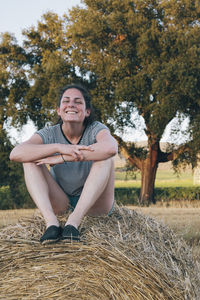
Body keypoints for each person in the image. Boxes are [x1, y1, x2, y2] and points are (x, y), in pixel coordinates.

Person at [10, 83, 118, 243]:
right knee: (29, 159)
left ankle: (73, 223)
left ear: (87, 112)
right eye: (66, 101)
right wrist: (58, 147)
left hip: (97, 205)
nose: (71, 104)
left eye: (78, 101)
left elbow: (110, 148)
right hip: (61, 202)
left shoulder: (96, 129)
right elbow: (16, 153)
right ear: (59, 110)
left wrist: (64, 156)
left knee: (105, 158)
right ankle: (51, 223)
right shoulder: (49, 133)